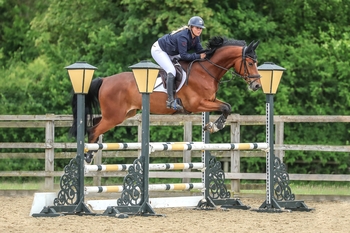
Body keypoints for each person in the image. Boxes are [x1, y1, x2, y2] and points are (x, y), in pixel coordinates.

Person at [151, 16, 207, 110]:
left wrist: (210, 53)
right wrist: (198, 57)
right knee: (172, 71)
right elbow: (184, 56)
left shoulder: (195, 37)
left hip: (172, 53)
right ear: (191, 27)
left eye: (201, 28)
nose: (199, 30)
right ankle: (170, 100)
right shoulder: (183, 37)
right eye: (197, 28)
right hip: (159, 50)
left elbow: (200, 51)